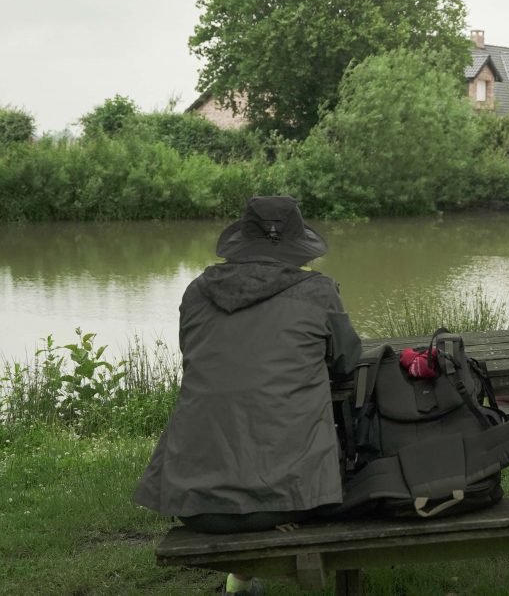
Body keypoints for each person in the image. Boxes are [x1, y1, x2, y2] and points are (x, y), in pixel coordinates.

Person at [133, 196, 362, 596]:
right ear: (296, 245)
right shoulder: (319, 291)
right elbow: (347, 363)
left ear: (242, 241)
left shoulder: (195, 293)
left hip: (195, 505)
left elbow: (195, 360)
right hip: (289, 502)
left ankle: (241, 584)